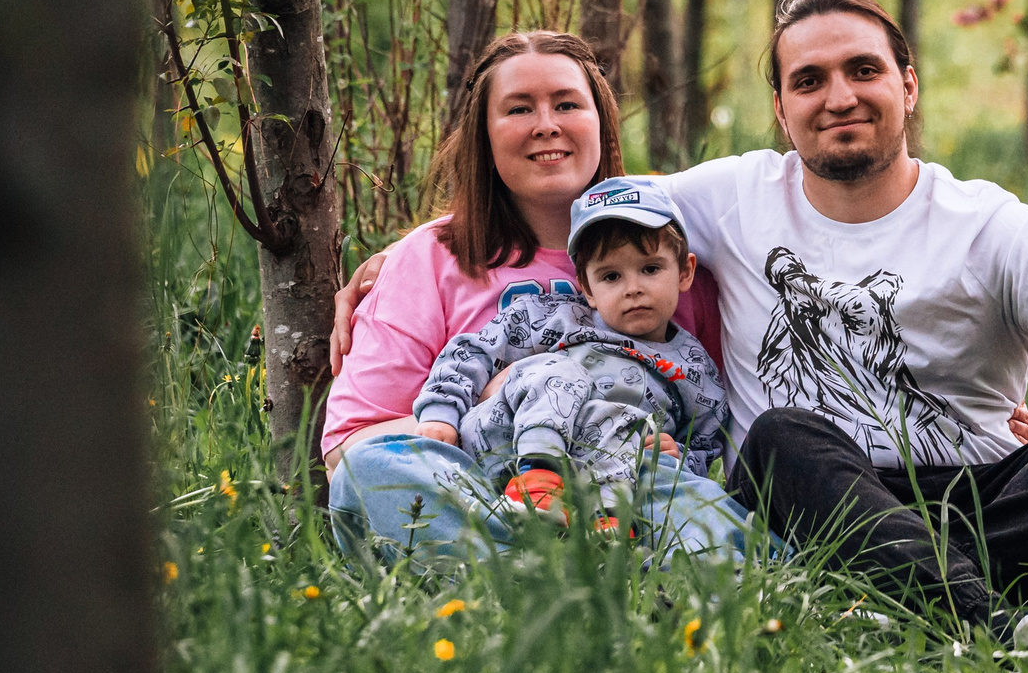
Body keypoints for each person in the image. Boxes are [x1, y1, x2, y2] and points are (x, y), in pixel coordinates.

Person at [331, 0, 1028, 628]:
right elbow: (580, 212)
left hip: (987, 505)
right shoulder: (719, 199)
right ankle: (988, 628)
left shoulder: (984, 219)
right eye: (808, 80)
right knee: (778, 437)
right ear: (780, 109)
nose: (839, 96)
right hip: (821, 503)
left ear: (908, 85)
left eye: (863, 70)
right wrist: (410, 249)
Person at [319, 32, 754, 561]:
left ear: (600, 120)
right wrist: (499, 398)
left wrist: (678, 456)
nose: (547, 124)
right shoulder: (429, 259)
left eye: (568, 104)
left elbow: (711, 414)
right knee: (369, 477)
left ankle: (582, 587)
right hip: (487, 492)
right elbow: (351, 445)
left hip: (630, 487)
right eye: (519, 108)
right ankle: (550, 586)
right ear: (484, 133)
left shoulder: (670, 245)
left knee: (702, 512)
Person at [411, 176, 727, 525]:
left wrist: (678, 454)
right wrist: (440, 413)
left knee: (632, 431)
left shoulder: (694, 369)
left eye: (650, 269)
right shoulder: (555, 317)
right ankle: (537, 480)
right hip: (503, 446)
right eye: (611, 277)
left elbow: (706, 446)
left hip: (613, 475)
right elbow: (471, 352)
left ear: (685, 271)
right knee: (558, 371)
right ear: (587, 288)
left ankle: (608, 529)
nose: (632, 289)